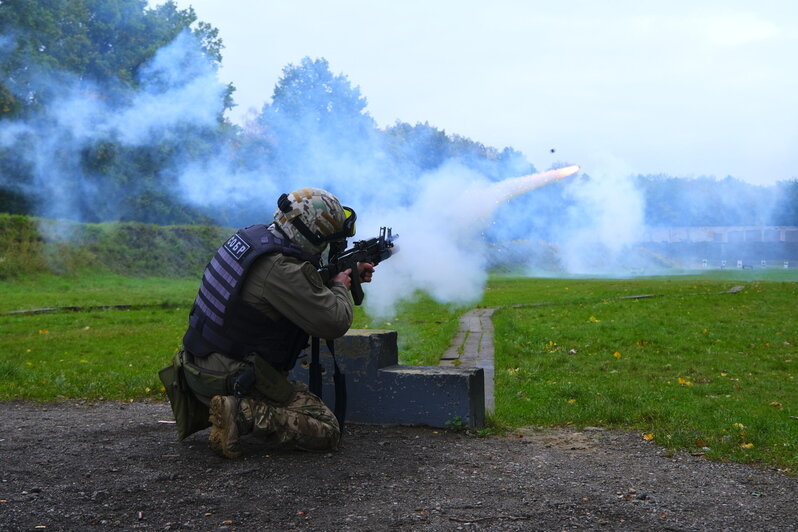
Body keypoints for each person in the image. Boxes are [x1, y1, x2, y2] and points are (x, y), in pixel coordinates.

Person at [167, 187, 374, 458]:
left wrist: (345, 272)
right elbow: (334, 322)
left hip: (197, 366)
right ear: (312, 234)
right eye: (327, 240)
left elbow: (289, 290)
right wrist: (340, 286)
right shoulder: (281, 268)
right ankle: (240, 413)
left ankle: (232, 406)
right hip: (230, 378)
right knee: (326, 428)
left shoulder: (252, 239)